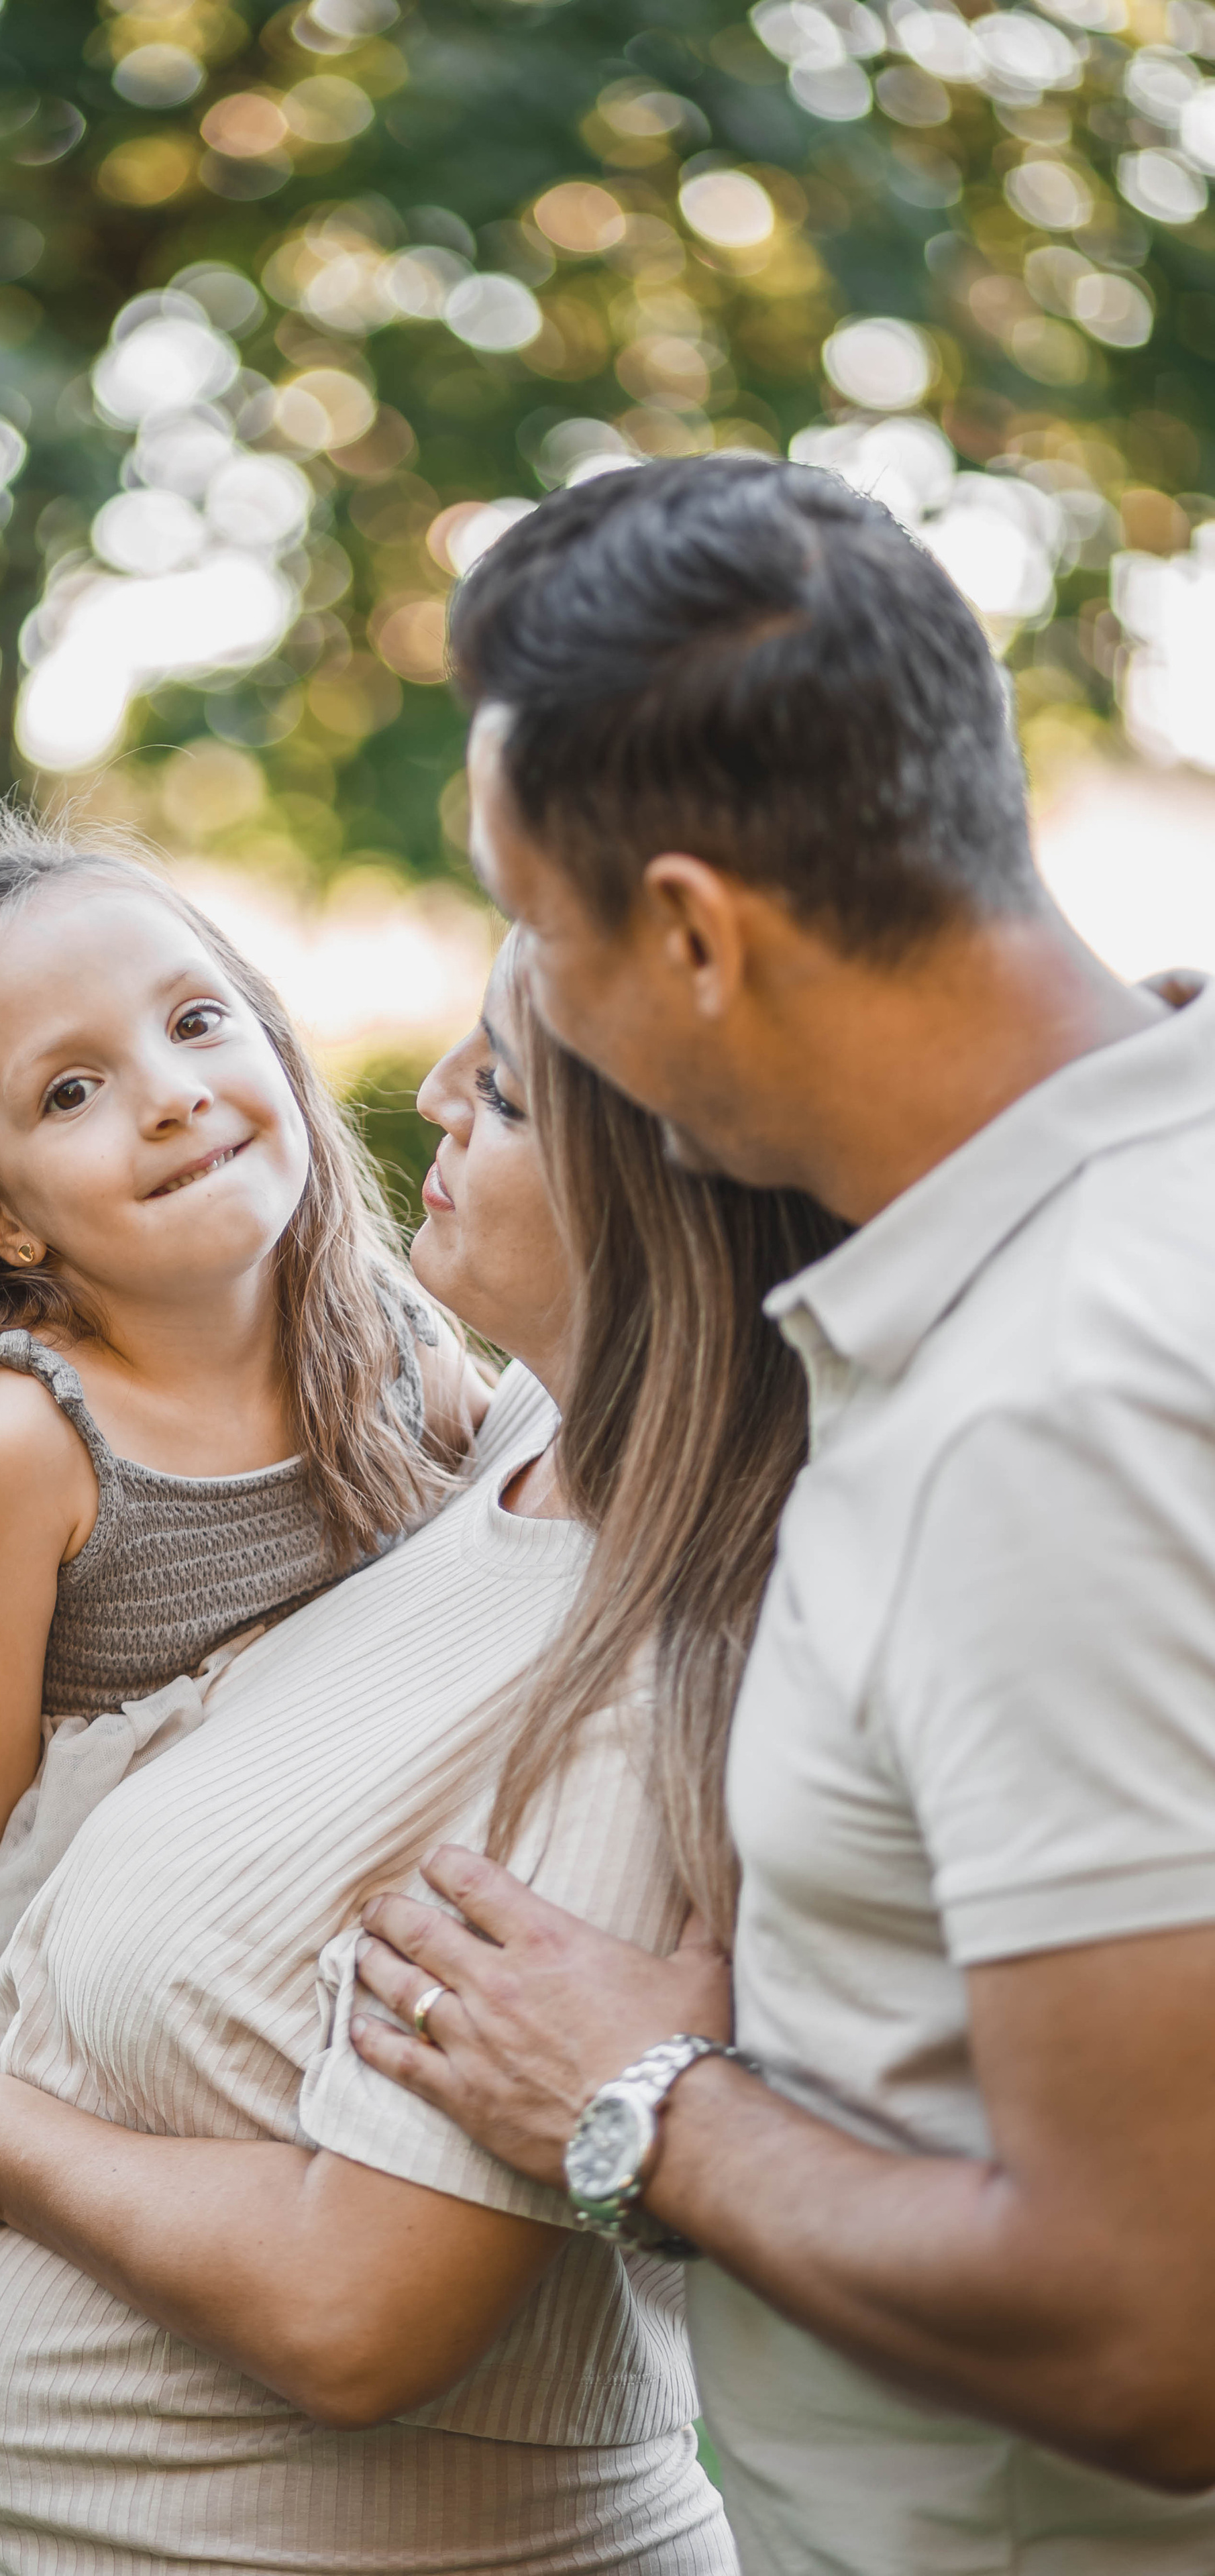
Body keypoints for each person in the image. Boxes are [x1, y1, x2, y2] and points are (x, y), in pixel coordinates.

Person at [347, 455, 1215, 2574]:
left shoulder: (1053, 1416)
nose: (530, 1019)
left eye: (542, 939)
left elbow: (1164, 2334)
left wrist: (647, 2107)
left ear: (696, 934)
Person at [0, 947, 832, 2576]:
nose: (433, 1092)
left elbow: (358, 2309)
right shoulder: (521, 1438)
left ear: (675, 1204)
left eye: (507, 1090)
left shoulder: (651, 1647)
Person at [0, 820, 480, 2209]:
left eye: (194, 1020)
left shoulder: (399, 1344)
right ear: (1, 1215)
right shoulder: (30, 1439)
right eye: (69, 1092)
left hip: (361, 1927)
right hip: (122, 1979)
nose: (169, 1097)